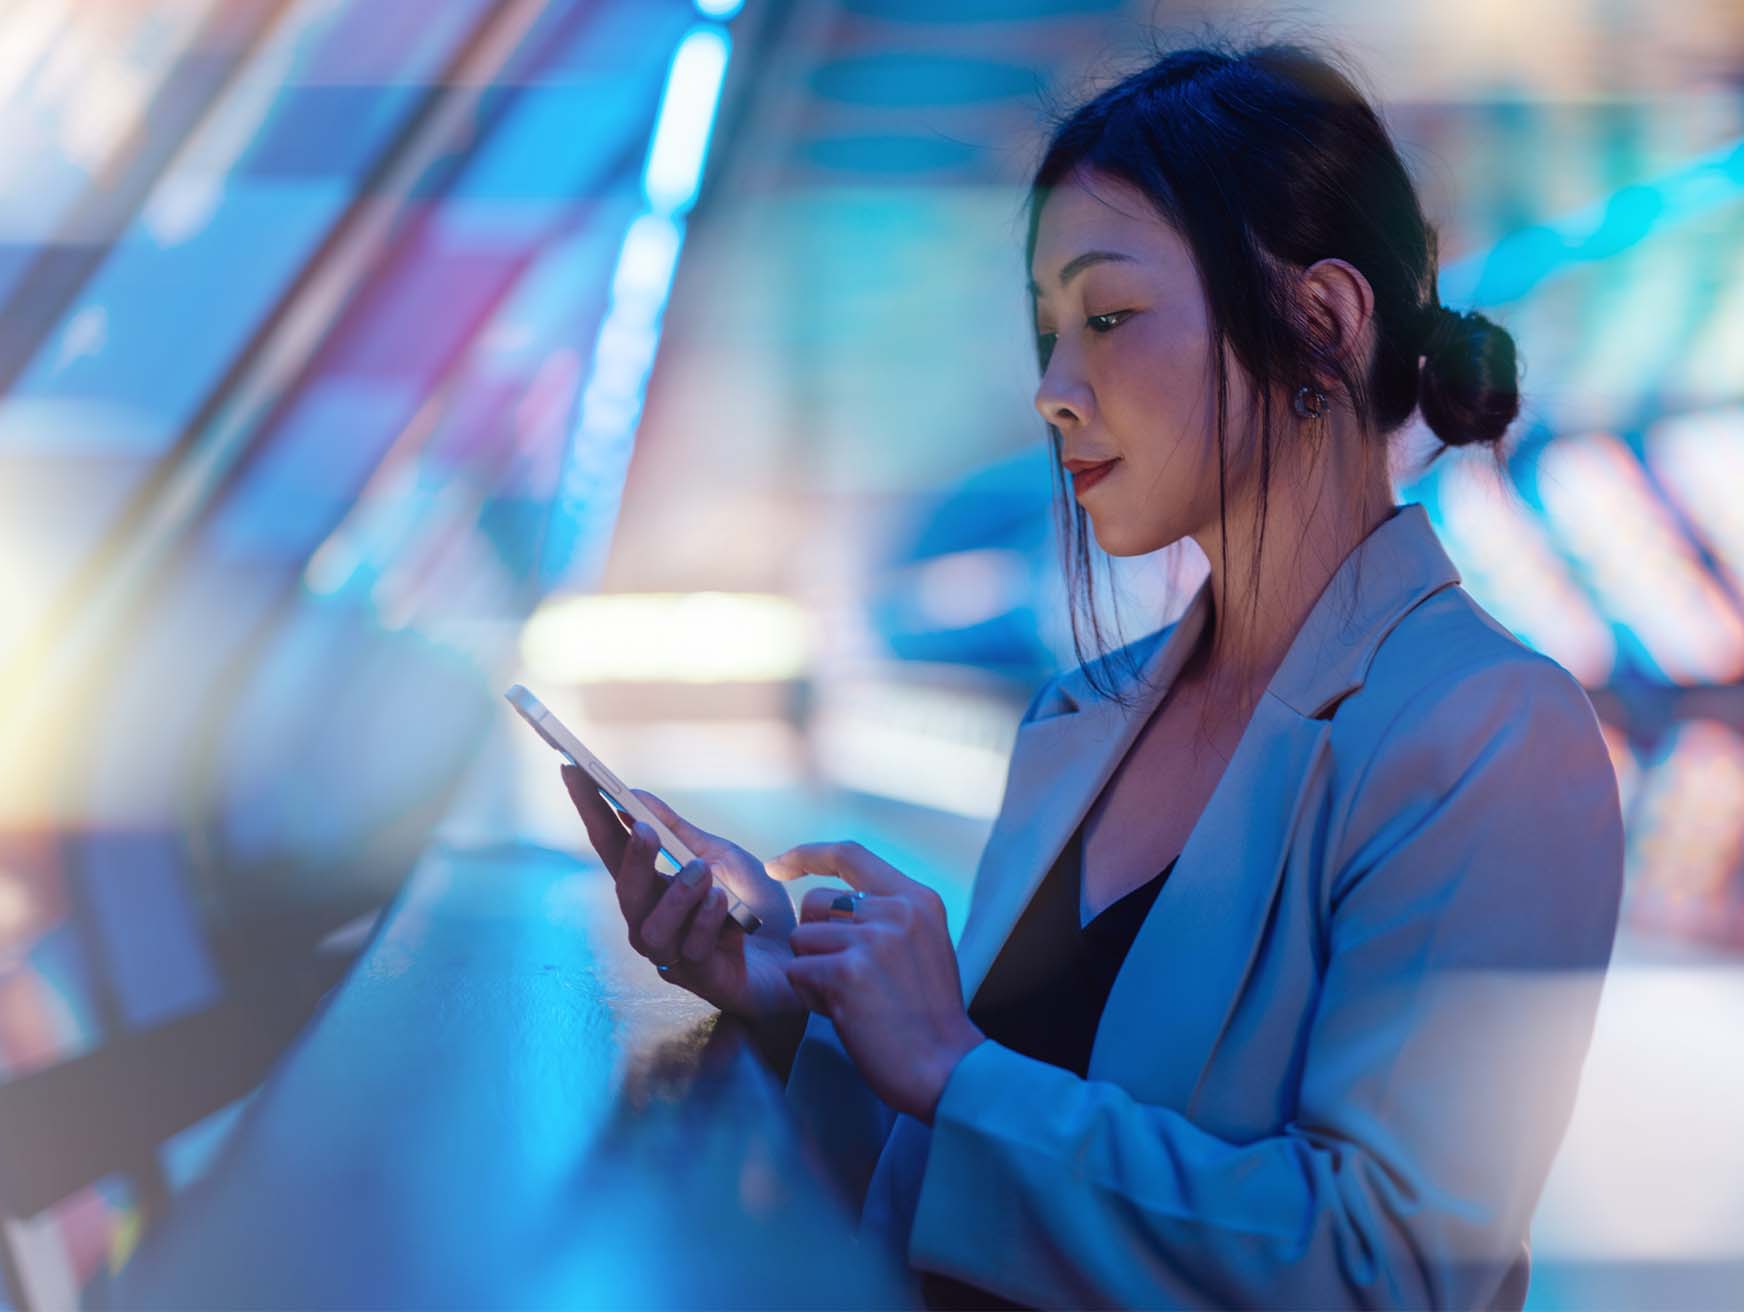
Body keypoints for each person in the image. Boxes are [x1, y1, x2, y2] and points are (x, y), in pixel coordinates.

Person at [561, 43, 1620, 1310]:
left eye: (1105, 318)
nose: (1055, 392)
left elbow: (1386, 1267)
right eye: (1047, 332)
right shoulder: (1084, 715)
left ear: (1323, 320)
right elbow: (978, 1170)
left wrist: (949, 1063)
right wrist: (799, 1003)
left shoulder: (1489, 735)